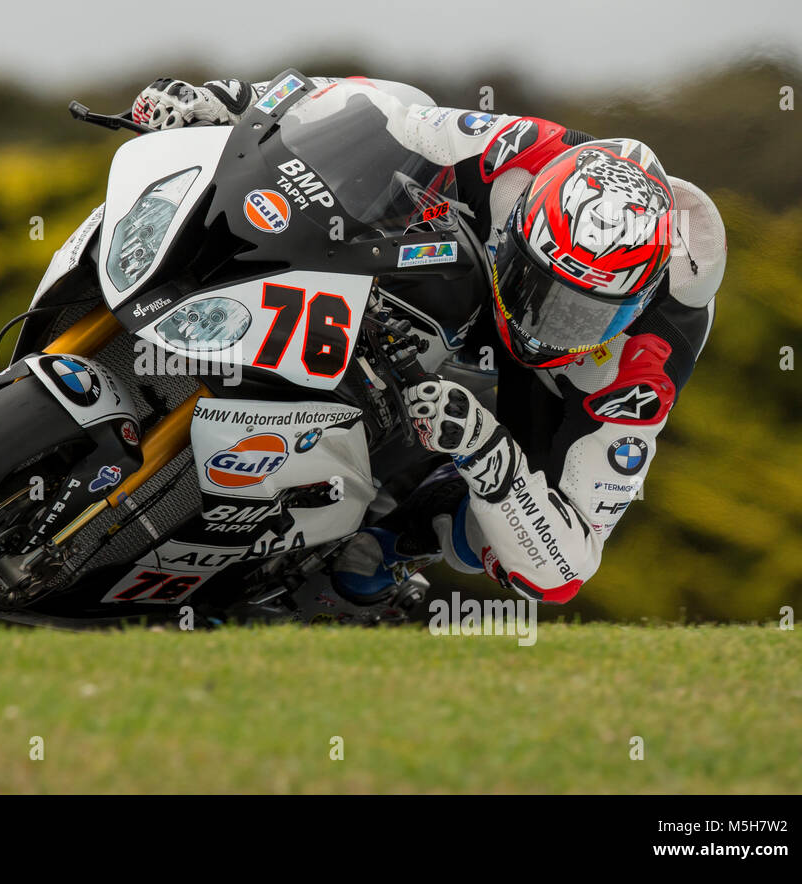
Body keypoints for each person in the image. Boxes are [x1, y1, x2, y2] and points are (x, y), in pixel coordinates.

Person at [131, 75, 727, 605]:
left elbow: (567, 570)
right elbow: (377, 110)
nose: (541, 323)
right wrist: (235, 101)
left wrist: (487, 450)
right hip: (478, 280)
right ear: (523, 220)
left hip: (567, 379)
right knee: (412, 250)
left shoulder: (648, 360)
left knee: (497, 535)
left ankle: (405, 530)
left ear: (639, 301)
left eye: (579, 311)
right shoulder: (518, 154)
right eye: (538, 287)